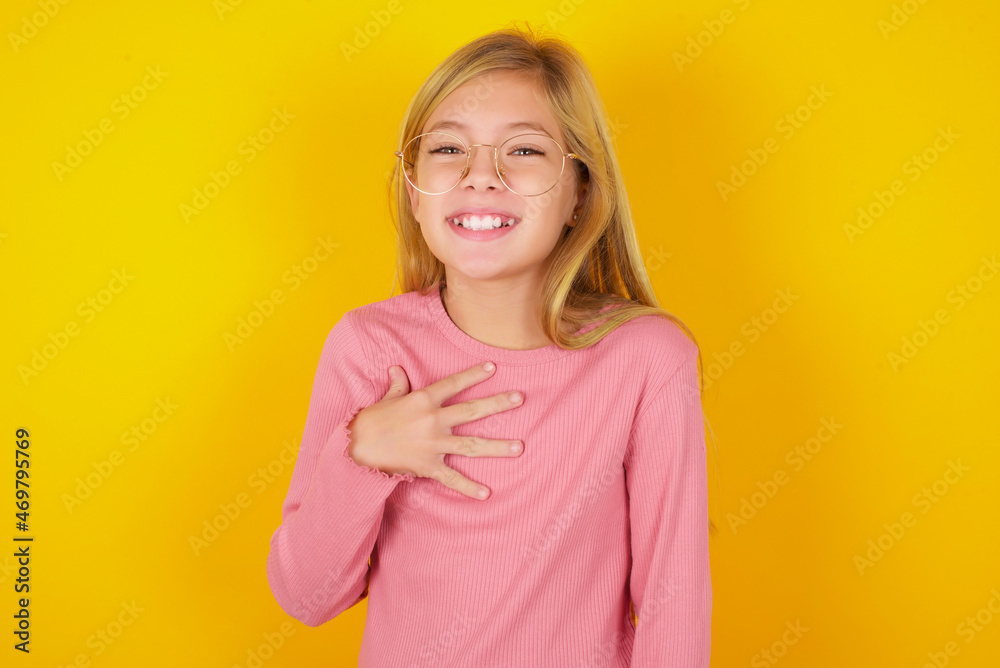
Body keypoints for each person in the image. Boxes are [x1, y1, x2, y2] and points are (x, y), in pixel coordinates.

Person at [266, 21, 716, 667]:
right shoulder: (368, 347)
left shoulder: (644, 358)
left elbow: (675, 599)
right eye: (448, 149)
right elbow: (307, 597)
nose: (482, 175)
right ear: (413, 190)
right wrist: (363, 453)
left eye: (525, 151)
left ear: (580, 192)